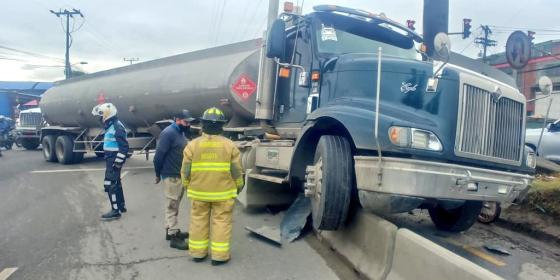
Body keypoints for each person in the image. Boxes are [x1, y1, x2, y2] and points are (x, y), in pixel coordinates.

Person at [181, 107, 244, 265]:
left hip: (199, 193)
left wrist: (187, 185)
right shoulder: (230, 146)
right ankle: (219, 256)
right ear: (221, 126)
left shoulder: (192, 146)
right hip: (223, 194)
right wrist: (239, 186)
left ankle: (198, 253)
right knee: (222, 222)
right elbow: (237, 172)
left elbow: (185, 171)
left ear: (203, 125)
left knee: (198, 221)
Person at [153, 110, 195, 250]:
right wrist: (158, 174)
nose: (188, 124)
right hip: (171, 176)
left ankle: (170, 230)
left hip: (178, 175)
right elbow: (158, 155)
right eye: (185, 122)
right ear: (177, 120)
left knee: (174, 204)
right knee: (172, 205)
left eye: (189, 122)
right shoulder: (168, 133)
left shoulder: (179, 132)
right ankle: (174, 237)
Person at [91, 103, 129, 220]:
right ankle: (121, 205)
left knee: (110, 184)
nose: (100, 118)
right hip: (110, 158)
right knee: (116, 182)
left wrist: (117, 163)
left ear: (108, 115)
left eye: (101, 116)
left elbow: (124, 147)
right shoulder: (111, 125)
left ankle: (115, 211)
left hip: (114, 159)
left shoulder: (117, 126)